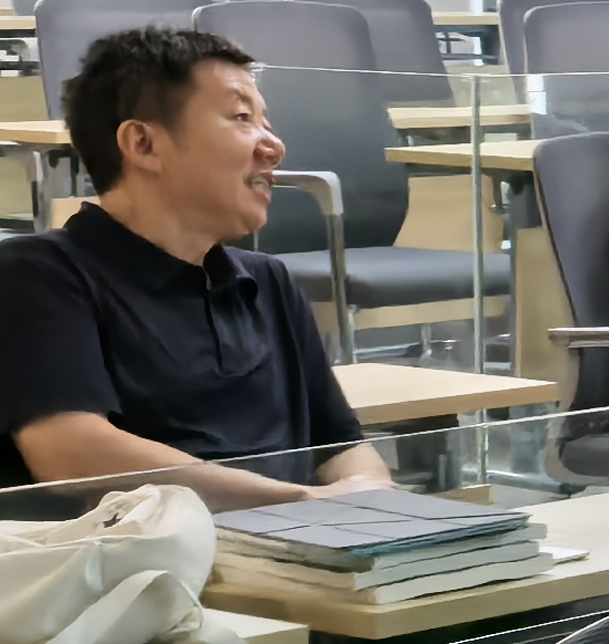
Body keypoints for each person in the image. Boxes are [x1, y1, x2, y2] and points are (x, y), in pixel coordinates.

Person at [0, 26, 391, 503]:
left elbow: (342, 445)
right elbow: (72, 452)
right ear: (142, 143)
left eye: (265, 122)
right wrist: (298, 504)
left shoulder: (268, 280)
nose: (273, 146)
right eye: (242, 118)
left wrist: (371, 495)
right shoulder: (38, 272)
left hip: (298, 538)